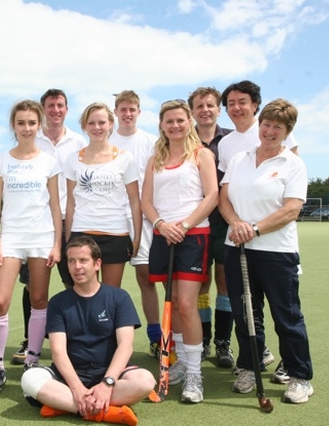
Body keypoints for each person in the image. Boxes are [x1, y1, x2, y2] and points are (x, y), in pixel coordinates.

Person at [218, 99, 313, 404]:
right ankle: (250, 364)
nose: (269, 131)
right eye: (266, 124)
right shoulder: (240, 159)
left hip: (276, 251)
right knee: (246, 313)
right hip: (238, 248)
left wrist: (254, 229)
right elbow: (224, 198)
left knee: (286, 315)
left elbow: (291, 210)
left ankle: (300, 375)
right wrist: (236, 223)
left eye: (277, 127)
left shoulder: (293, 164)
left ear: (287, 131)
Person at [21, 236, 155, 426]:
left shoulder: (119, 297)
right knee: (30, 378)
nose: (77, 267)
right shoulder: (58, 302)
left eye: (83, 260)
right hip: (69, 376)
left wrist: (107, 383)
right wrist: (77, 388)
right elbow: (58, 351)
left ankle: (64, 405)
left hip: (110, 373)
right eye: (72, 261)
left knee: (145, 381)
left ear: (97, 264)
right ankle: (101, 412)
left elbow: (125, 346)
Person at [141, 100, 218, 403]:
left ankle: (195, 375)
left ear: (189, 122)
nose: (175, 126)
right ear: (161, 124)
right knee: (172, 302)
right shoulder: (154, 159)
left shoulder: (202, 155)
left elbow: (212, 196)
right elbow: (147, 201)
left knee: (186, 305)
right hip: (163, 235)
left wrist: (184, 225)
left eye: (180, 120)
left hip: (193, 234)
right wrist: (161, 224)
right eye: (169, 121)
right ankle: (184, 363)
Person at [0, 100, 63, 393]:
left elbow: (56, 205)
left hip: (42, 237)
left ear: (39, 125)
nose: (27, 128)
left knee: (39, 300)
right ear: (13, 126)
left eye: (32, 123)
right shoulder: (1, 161)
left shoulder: (49, 161)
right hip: (11, 237)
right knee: (0, 301)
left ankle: (32, 360)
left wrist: (56, 244)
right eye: (21, 123)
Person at [12, 89, 88, 365]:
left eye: (60, 105)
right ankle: (29, 340)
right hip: (37, 222)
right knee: (33, 285)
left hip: (72, 220)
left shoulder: (78, 141)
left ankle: (73, 339)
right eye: (50, 106)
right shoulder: (32, 138)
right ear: (43, 111)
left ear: (67, 109)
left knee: (74, 280)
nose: (55, 110)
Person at [64, 102, 141, 288]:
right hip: (82, 233)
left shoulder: (125, 158)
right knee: (83, 294)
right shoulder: (72, 159)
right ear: (84, 126)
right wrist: (68, 239)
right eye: (91, 123)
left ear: (110, 125)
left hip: (115, 233)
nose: (97, 128)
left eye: (101, 122)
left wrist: (137, 237)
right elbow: (71, 202)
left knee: (110, 294)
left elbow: (134, 201)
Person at [109, 90, 162, 358]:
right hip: (112, 220)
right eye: (123, 109)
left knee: (147, 278)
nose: (127, 114)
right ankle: (109, 339)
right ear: (116, 112)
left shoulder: (152, 142)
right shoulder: (106, 140)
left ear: (139, 112)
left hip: (145, 217)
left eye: (132, 109)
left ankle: (156, 338)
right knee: (110, 285)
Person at [187, 87, 235, 367]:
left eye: (210, 105)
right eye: (199, 106)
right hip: (196, 222)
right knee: (200, 282)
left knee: (225, 280)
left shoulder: (231, 140)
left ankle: (223, 343)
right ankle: (203, 340)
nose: (205, 109)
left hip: (226, 220)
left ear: (219, 109)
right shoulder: (183, 138)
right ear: (192, 111)